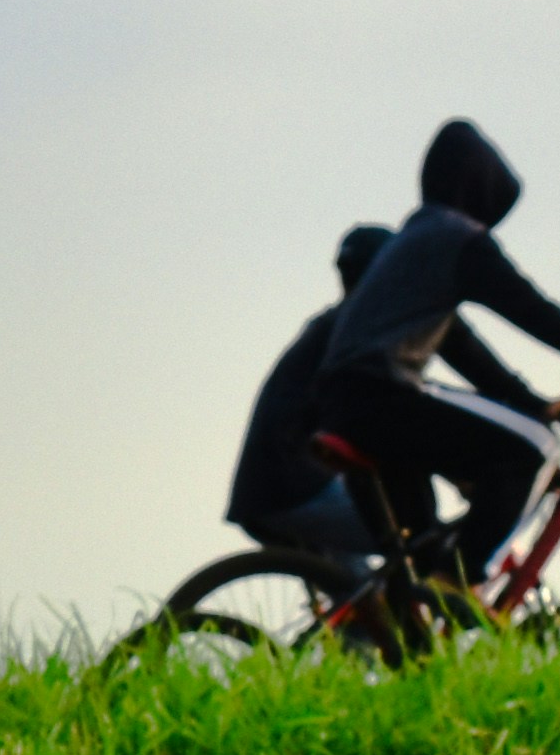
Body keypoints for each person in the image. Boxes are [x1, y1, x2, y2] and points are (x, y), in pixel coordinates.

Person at [311, 119, 560, 598]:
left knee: (421, 559)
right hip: (382, 394)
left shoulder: (418, 240)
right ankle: (463, 581)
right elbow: (536, 313)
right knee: (533, 450)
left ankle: (418, 617)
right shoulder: (456, 239)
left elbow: (466, 353)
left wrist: (534, 403)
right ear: (479, 190)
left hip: (347, 401)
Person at [226, 222, 539, 560]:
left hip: (264, 494)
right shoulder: (367, 334)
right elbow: (403, 415)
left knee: (367, 587)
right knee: (422, 545)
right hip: (297, 490)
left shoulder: (336, 327)